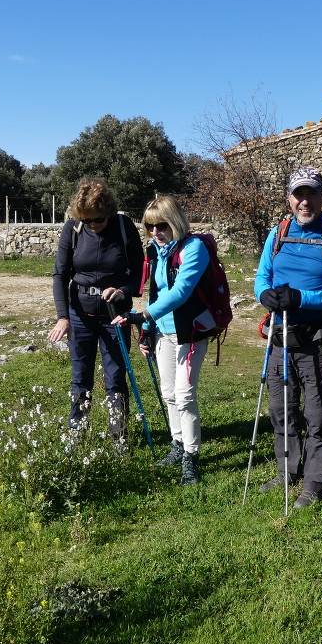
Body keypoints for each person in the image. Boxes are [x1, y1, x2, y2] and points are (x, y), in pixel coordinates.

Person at [253, 167, 322, 509]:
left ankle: (314, 482)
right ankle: (287, 470)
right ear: (289, 199)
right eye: (298, 194)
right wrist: (265, 296)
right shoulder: (278, 233)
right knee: (280, 408)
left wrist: (301, 298)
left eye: (311, 193)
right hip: (280, 335)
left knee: (316, 411)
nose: (304, 201)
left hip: (316, 338)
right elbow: (262, 278)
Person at [113, 195, 211, 485]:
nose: (155, 232)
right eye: (149, 226)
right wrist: (147, 329)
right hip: (163, 332)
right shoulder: (155, 251)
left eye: (162, 225)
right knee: (169, 393)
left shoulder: (194, 249)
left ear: (176, 222)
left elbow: (181, 292)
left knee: (184, 394)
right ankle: (178, 444)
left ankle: (191, 458)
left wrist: (143, 316)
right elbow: (155, 292)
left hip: (190, 331)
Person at [48, 177, 144, 440]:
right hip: (80, 315)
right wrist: (62, 317)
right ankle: (77, 432)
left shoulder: (123, 227)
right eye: (86, 220)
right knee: (80, 376)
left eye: (97, 220)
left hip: (115, 316)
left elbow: (138, 270)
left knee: (115, 376)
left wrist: (124, 290)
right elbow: (60, 274)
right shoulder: (73, 228)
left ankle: (118, 437)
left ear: (109, 212)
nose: (92, 225)